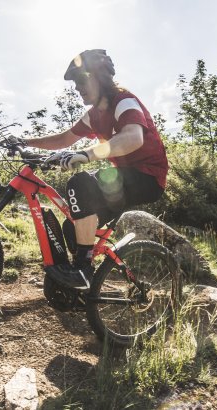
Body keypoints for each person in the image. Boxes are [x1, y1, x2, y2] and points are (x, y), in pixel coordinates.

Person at [19, 49, 169, 290]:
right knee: (72, 227)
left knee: (79, 183)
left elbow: (133, 138)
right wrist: (25, 142)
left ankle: (83, 269)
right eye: (75, 83)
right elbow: (63, 139)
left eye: (81, 80)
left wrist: (87, 154)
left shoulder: (124, 101)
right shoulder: (94, 115)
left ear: (100, 77)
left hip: (148, 177)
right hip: (124, 179)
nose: (77, 88)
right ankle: (80, 287)